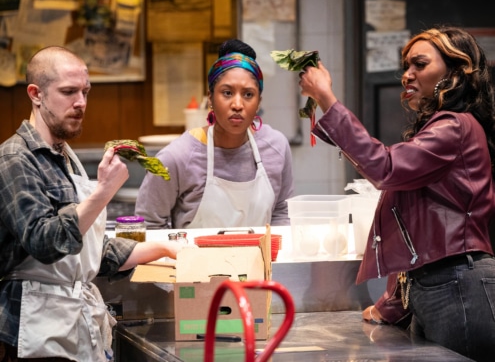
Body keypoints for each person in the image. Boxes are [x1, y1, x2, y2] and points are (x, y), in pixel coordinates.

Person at [298, 26, 495, 361]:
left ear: (456, 71)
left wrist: (327, 100)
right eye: (406, 66)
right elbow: (412, 224)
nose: (408, 75)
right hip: (438, 288)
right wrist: (393, 303)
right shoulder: (439, 129)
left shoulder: (454, 127)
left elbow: (384, 168)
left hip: (460, 286)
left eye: (419, 64)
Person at [0, 46, 184, 362]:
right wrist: (103, 193)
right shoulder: (15, 160)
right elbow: (45, 242)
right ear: (36, 94)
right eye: (69, 92)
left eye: (85, 92)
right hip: (34, 330)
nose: (81, 102)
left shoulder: (64, 157)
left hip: (72, 323)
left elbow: (89, 251)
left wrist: (166, 249)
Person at [135, 39, 294, 229]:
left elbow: (281, 213)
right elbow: (148, 226)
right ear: (210, 97)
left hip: (258, 259)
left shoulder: (276, 147)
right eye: (227, 93)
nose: (237, 104)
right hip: (194, 259)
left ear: (259, 102)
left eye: (248, 94)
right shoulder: (176, 158)